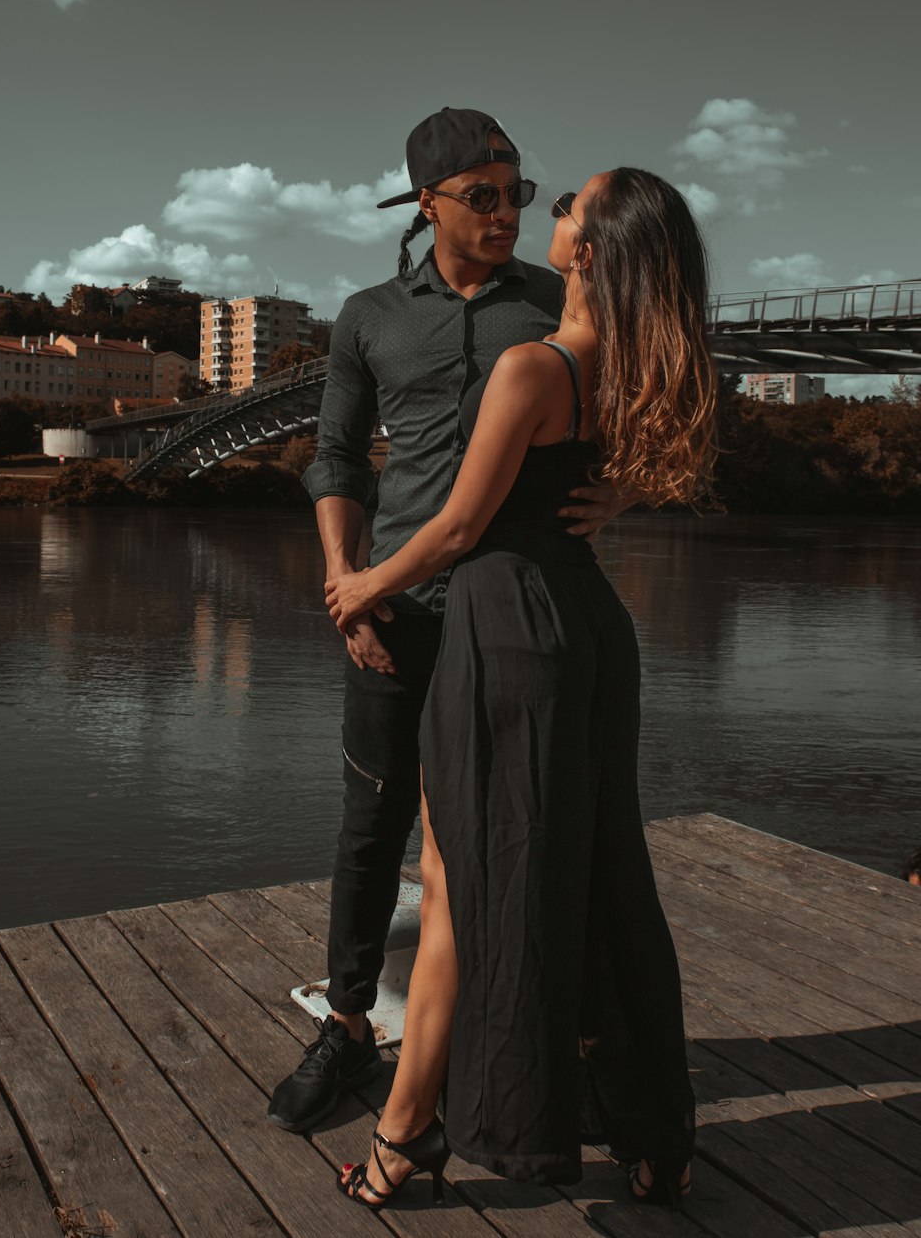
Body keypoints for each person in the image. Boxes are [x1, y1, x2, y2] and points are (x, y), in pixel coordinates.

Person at [325, 166, 717, 1209]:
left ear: (587, 252)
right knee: (602, 876)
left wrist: (360, 582)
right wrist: (619, 494)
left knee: (457, 886)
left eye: (564, 207)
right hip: (588, 627)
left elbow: (457, 528)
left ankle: (408, 1133)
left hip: (506, 631)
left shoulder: (531, 365)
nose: (546, 216)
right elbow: (644, 464)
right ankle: (654, 1131)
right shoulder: (632, 365)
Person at [267, 109, 631, 1134]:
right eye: (482, 194)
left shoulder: (559, 302)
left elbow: (655, 400)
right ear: (425, 203)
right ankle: (344, 1025)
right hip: (398, 606)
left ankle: (552, 1037)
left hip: (517, 614)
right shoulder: (369, 315)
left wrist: (630, 492)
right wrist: (349, 582)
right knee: (372, 824)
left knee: (527, 829)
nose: (506, 211)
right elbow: (335, 459)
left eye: (515, 191)